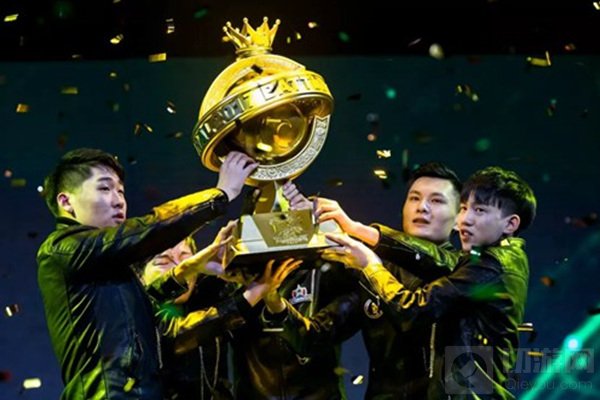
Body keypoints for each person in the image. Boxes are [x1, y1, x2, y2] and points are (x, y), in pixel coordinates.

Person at [37, 148, 256, 399]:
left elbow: (152, 315)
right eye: (104, 188)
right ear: (66, 202)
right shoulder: (61, 249)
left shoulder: (108, 266)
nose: (118, 201)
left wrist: (193, 266)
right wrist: (220, 194)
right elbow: (147, 229)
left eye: (121, 191)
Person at [322, 166, 536, 399]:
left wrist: (370, 266)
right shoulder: (485, 260)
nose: (465, 220)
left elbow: (413, 309)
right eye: (464, 209)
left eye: (480, 210)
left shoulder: (492, 265)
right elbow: (434, 258)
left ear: (510, 224)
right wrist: (358, 230)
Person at [265, 162, 463, 399]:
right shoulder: (370, 269)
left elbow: (435, 262)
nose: (422, 207)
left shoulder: (469, 271)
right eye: (414, 198)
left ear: (460, 218)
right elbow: (312, 338)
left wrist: (355, 230)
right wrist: (273, 299)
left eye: (437, 200)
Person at [140, 236, 302, 400]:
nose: (178, 267)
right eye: (163, 262)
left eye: (186, 258)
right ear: (140, 276)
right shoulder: (133, 310)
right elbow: (177, 335)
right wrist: (253, 293)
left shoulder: (205, 298)